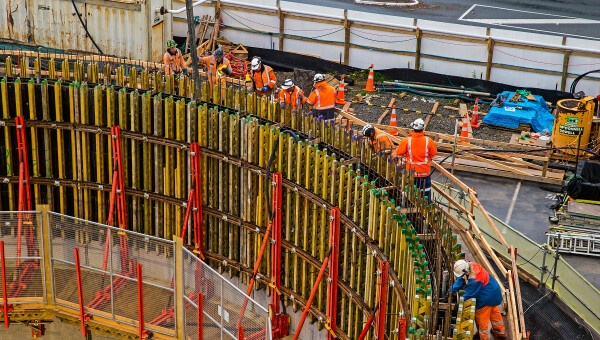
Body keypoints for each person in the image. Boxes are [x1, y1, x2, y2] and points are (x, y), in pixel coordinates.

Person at [452, 260, 506, 340]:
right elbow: (461, 279)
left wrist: (459, 304)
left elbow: (469, 295)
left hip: (486, 299)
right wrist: (452, 290)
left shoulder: (475, 280)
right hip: (494, 292)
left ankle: (482, 337)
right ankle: (500, 332)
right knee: (494, 313)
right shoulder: (471, 266)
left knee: (481, 320)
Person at [393, 118, 437, 202]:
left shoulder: (407, 141)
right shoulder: (429, 141)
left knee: (410, 195)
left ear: (413, 129)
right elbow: (433, 153)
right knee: (425, 196)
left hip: (411, 173)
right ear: (423, 129)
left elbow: (398, 152)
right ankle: (425, 212)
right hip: (424, 174)